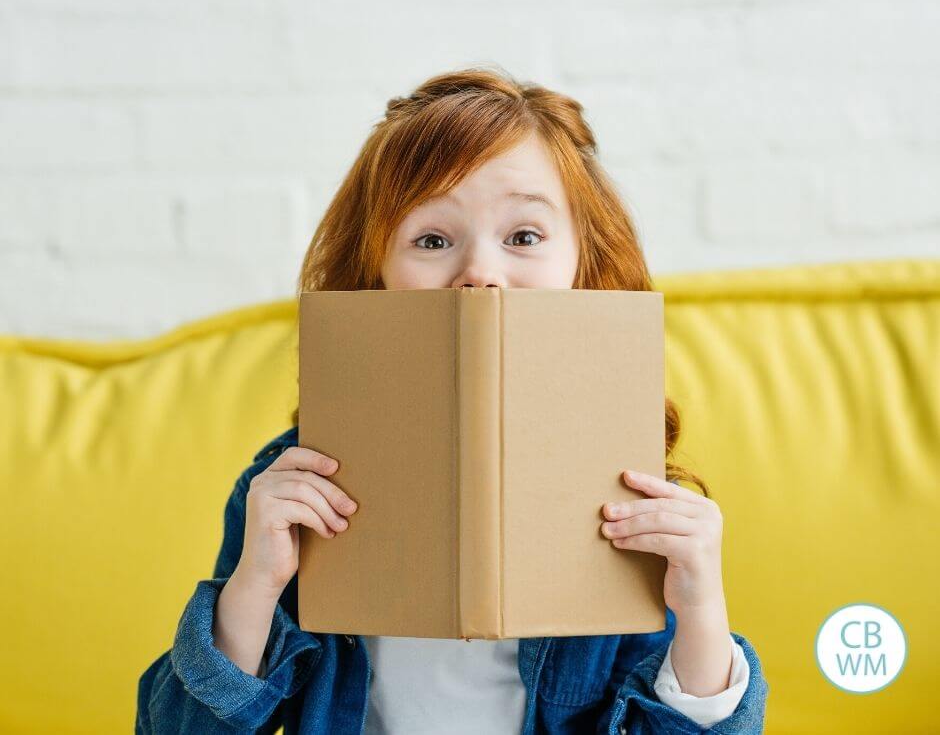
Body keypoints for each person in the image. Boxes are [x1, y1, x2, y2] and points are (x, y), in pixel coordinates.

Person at [136, 66, 769, 734]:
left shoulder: (638, 495)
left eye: (524, 237)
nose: (481, 274)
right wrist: (252, 591)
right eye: (432, 240)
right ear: (373, 272)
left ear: (584, 265)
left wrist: (701, 613)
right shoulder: (290, 490)